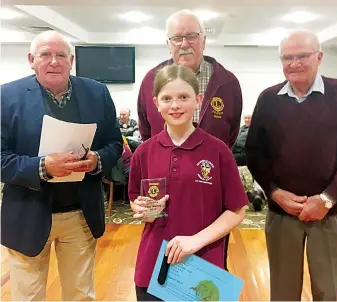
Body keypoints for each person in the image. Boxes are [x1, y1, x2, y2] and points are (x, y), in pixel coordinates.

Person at [1, 31, 122, 301]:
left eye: (61, 55)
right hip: (26, 214)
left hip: (80, 214)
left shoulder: (97, 93)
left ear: (72, 60)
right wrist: (43, 167)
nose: (53, 61)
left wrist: (96, 160)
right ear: (32, 60)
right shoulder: (6, 97)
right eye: (45, 54)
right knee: (27, 297)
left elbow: (114, 143)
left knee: (81, 295)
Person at [245, 30, 337, 301]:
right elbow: (255, 154)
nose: (294, 63)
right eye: (287, 57)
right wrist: (274, 192)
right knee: (282, 293)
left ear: (319, 57)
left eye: (302, 56)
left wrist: (327, 199)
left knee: (328, 292)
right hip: (282, 213)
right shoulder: (268, 99)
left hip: (331, 213)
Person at [129, 64, 248, 301]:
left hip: (203, 266)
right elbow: (135, 199)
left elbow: (237, 210)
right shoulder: (143, 152)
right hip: (154, 266)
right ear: (156, 103)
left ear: (199, 100)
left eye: (184, 97)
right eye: (167, 98)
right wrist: (143, 210)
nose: (175, 105)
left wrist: (195, 241)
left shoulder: (218, 151)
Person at [137, 9, 243, 148]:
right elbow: (146, 131)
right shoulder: (150, 81)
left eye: (192, 36)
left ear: (203, 41)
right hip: (163, 167)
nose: (184, 44)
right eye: (177, 38)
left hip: (212, 166)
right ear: (169, 44)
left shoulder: (227, 82)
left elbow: (232, 133)